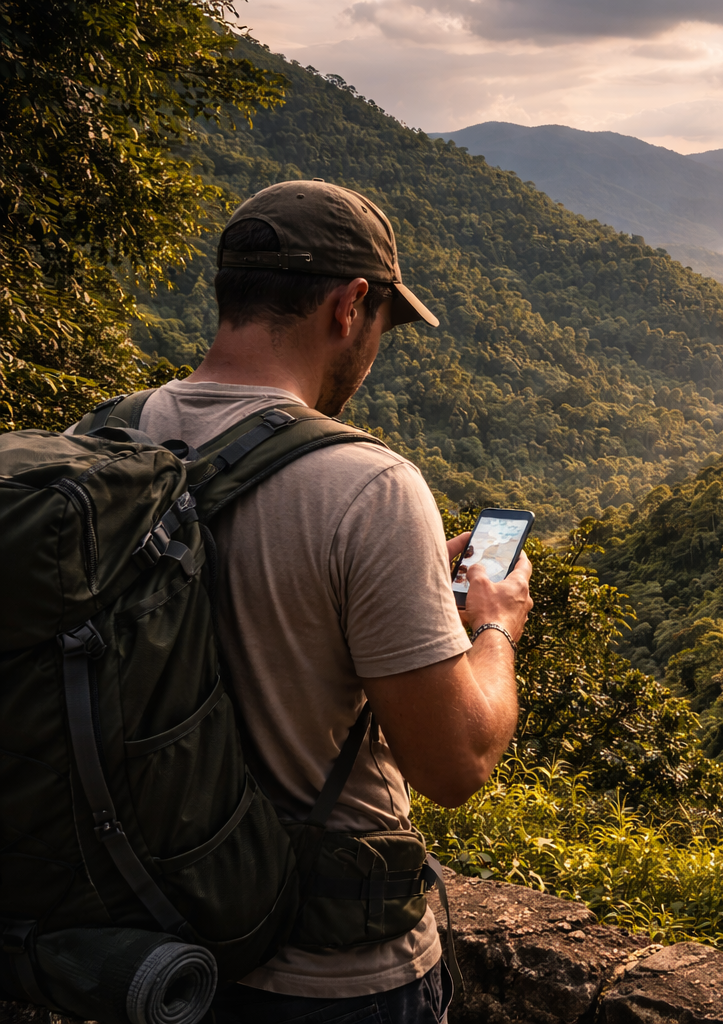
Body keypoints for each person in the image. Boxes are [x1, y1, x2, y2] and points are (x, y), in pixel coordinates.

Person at [131, 181, 530, 1023]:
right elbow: (455, 766)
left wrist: (411, 576)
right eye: (384, 324)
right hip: (326, 976)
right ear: (351, 307)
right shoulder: (368, 485)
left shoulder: (106, 440)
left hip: (141, 951)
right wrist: (493, 624)